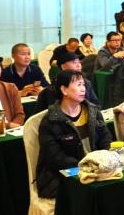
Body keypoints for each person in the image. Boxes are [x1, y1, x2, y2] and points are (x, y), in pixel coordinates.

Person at [36, 70, 112, 199]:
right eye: (78, 85)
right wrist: (86, 167)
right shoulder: (50, 121)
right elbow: (56, 158)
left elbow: (106, 139)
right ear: (64, 90)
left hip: (96, 170)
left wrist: (102, 162)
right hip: (62, 177)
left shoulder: (93, 112)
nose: (83, 89)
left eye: (83, 84)